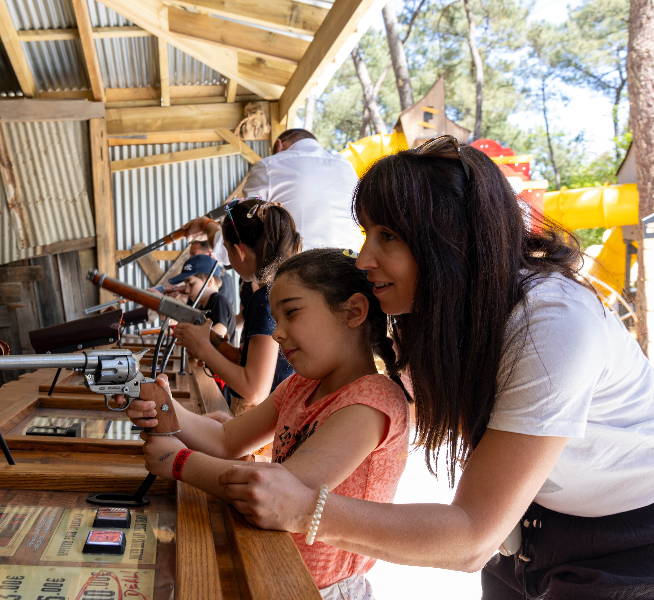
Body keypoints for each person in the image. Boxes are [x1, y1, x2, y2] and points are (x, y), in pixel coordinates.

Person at [215, 136, 654, 599]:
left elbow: (470, 538)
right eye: (366, 234)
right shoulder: (429, 317)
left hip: (626, 540)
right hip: (528, 521)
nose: (364, 260)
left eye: (388, 236)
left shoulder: (552, 325)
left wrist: (308, 510)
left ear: (453, 237)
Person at [125, 249, 410, 600]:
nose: (277, 334)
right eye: (276, 320)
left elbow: (280, 493)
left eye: (291, 313)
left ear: (352, 312)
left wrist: (180, 462)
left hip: (321, 590)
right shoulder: (300, 385)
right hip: (273, 561)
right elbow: (228, 440)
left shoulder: (371, 401)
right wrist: (165, 408)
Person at [173, 197, 300, 415]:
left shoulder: (265, 299)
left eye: (227, 250)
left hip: (259, 416)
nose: (229, 260)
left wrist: (202, 347)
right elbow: (253, 361)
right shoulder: (282, 291)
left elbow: (255, 389)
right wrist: (210, 339)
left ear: (239, 251)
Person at [182, 129, 361, 265]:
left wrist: (207, 225)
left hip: (302, 276)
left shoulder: (270, 166)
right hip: (351, 269)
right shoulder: (346, 168)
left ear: (278, 145)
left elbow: (237, 246)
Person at [166, 254, 236, 343]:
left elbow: (218, 335)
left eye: (191, 284)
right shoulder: (201, 307)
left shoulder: (219, 301)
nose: (187, 290)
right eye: (186, 285)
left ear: (209, 281)